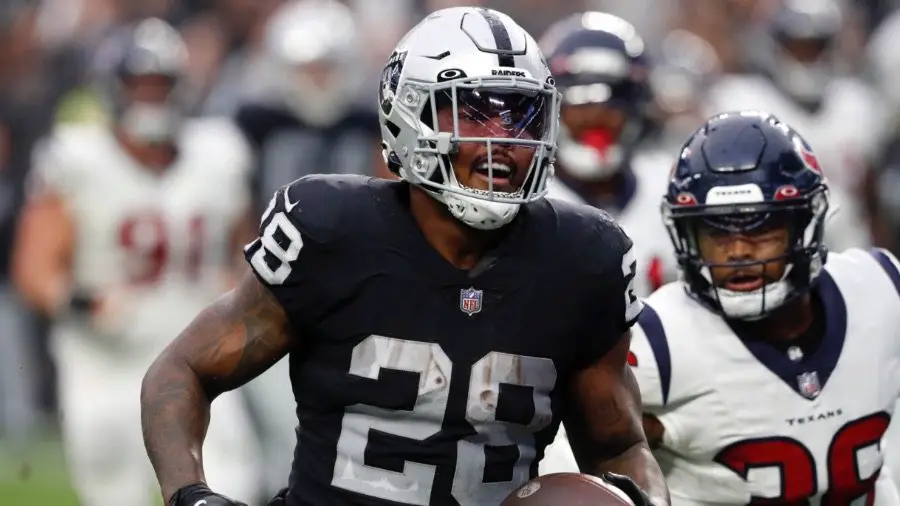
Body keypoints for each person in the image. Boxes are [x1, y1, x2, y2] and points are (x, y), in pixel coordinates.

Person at [140, 7, 670, 506]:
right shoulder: (333, 230)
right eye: (476, 112)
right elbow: (181, 369)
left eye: (522, 115)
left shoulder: (582, 258)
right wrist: (191, 493)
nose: (505, 138)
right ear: (410, 113)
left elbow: (619, 444)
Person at [12, 18, 260, 506]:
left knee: (232, 484)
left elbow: (246, 250)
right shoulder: (77, 157)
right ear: (114, 89)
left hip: (198, 350)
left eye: (161, 85)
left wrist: (238, 290)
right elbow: (35, 269)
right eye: (140, 84)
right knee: (114, 493)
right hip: (105, 359)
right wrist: (82, 302)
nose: (151, 97)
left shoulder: (218, 153)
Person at [629, 110, 900, 505]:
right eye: (715, 231)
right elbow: (581, 462)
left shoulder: (880, 289)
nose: (738, 251)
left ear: (803, 223)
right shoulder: (657, 339)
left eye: (760, 228)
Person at [536, 11, 678, 476]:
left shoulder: (672, 189)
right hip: (555, 412)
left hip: (677, 397)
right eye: (578, 99)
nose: (597, 115)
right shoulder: (524, 202)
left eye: (613, 98)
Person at [702, 0, 886, 253]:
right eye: (798, 46)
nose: (806, 56)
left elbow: (871, 199)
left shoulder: (856, 104)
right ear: (778, 43)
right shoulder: (743, 100)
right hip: (772, 245)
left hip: (849, 248)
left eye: (815, 47)